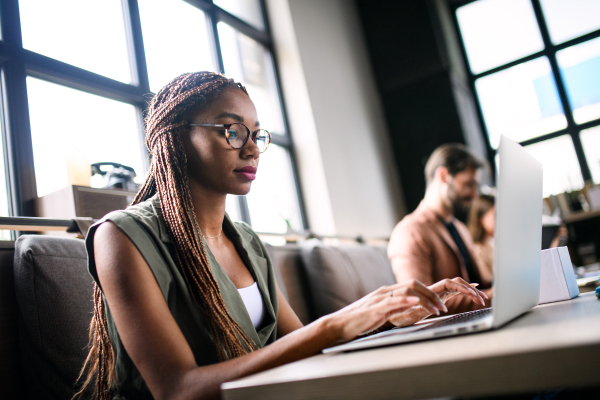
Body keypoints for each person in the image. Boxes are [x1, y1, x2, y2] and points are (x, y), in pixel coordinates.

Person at [76, 72, 487, 400]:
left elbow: (302, 345)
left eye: (256, 134)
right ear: (176, 138)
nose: (252, 148)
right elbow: (177, 390)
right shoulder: (121, 236)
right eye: (231, 131)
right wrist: (340, 324)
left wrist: (392, 318)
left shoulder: (248, 243)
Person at [388, 143, 492, 315]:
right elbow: (419, 305)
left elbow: (476, 283)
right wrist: (494, 295)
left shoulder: (460, 228)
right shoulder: (410, 232)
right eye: (468, 184)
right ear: (443, 176)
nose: (474, 195)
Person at [467, 194, 495, 284]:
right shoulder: (478, 250)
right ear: (480, 218)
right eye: (495, 215)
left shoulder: (499, 244)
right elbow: (487, 281)